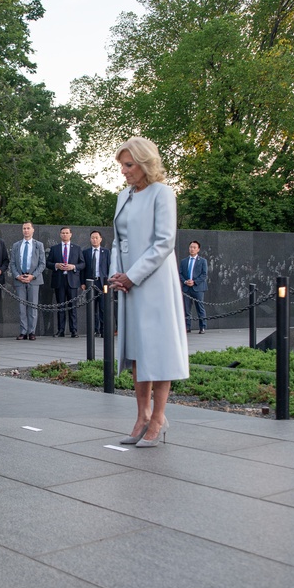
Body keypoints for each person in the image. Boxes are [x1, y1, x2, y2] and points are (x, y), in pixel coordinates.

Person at [108, 137, 188, 448]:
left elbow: (164, 242)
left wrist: (133, 275)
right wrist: (118, 273)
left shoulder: (163, 193)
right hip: (128, 283)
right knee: (137, 350)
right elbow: (118, 240)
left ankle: (158, 416)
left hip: (154, 282)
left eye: (128, 165)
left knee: (158, 348)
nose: (124, 171)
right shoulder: (123, 196)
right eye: (122, 166)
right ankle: (141, 415)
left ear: (145, 164)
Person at [9, 222, 46, 340]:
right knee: (21, 307)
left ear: (33, 230)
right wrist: (17, 275)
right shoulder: (16, 245)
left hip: (34, 280)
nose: (26, 230)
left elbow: (42, 264)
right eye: (24, 228)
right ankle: (23, 331)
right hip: (20, 279)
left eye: (28, 228)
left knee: (33, 307)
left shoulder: (38, 245)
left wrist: (32, 276)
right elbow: (13, 263)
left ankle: (32, 331)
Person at [46, 227, 85, 337]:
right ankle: (61, 330)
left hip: (72, 281)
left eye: (67, 233)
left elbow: (82, 264)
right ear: (60, 234)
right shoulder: (55, 248)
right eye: (63, 233)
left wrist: (73, 266)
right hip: (59, 281)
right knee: (60, 307)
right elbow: (48, 263)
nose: (65, 235)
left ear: (71, 234)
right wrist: (56, 265)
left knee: (73, 307)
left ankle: (74, 330)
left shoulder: (77, 248)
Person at [80, 230, 111, 337]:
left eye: (96, 237)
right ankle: (93, 329)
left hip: (102, 283)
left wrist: (108, 282)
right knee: (92, 307)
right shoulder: (86, 252)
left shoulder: (106, 252)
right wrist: (83, 282)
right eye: (92, 237)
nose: (94, 239)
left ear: (100, 239)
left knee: (103, 307)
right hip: (90, 282)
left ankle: (103, 330)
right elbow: (83, 269)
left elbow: (109, 267)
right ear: (90, 239)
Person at [179, 240, 208, 334]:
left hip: (198, 288)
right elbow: (180, 274)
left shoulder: (203, 261)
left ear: (198, 249)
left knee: (200, 308)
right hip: (186, 288)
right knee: (187, 309)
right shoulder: (184, 261)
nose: (192, 249)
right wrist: (185, 281)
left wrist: (194, 282)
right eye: (191, 247)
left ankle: (202, 327)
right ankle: (187, 327)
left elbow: (204, 275)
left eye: (194, 247)